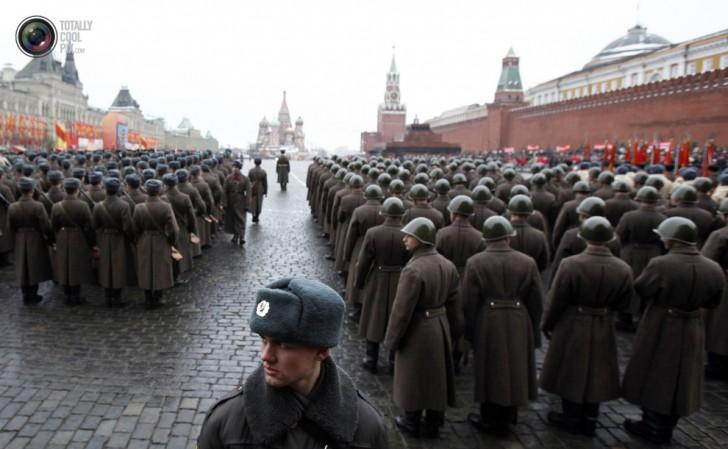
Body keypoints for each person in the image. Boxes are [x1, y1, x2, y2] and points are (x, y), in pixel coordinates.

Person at [197, 277, 388, 449]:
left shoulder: (367, 428)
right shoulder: (226, 423)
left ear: (321, 351)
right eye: (264, 340)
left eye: (284, 345)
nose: (266, 355)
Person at [622, 217, 725, 444]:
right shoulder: (713, 267)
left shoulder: (661, 264)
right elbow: (713, 302)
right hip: (693, 326)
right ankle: (666, 425)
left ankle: (652, 425)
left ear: (671, 240)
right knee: (682, 376)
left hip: (661, 323)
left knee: (655, 371)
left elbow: (642, 289)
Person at [540, 216, 634, 436]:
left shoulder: (571, 264)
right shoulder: (623, 268)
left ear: (584, 238)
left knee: (571, 369)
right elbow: (625, 303)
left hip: (573, 321)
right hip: (603, 322)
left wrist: (547, 323)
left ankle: (571, 416)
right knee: (597, 371)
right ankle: (591, 416)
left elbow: (557, 299)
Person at [462, 216, 543, 436]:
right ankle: (510, 414)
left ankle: (489, 417)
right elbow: (536, 300)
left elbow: (469, 301)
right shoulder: (527, 262)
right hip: (519, 318)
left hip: (489, 318)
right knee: (515, 366)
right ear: (508, 236)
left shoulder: (475, 262)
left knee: (490, 366)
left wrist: (468, 332)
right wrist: (533, 327)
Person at [384, 217, 461, 439]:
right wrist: (455, 332)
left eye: (409, 236)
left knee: (414, 376)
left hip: (418, 328)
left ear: (420, 240)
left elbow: (401, 311)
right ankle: (435, 421)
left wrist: (392, 341)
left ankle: (412, 420)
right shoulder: (447, 265)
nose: (405, 239)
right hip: (440, 325)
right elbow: (455, 304)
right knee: (437, 375)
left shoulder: (413, 269)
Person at [356, 197, 409, 374]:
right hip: (400, 277)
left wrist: (360, 282)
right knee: (397, 318)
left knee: (373, 316)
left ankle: (371, 357)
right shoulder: (407, 233)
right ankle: (393, 359)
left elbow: (363, 261)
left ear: (384, 213)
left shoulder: (373, 233)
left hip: (377, 277)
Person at [133, 179, 179, 309]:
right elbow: (174, 229)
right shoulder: (166, 206)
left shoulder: (138, 207)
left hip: (144, 239)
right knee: (160, 267)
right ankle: (158, 296)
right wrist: (171, 242)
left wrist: (138, 239)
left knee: (145, 267)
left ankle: (147, 296)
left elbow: (135, 228)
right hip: (161, 240)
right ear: (159, 191)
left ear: (146, 191)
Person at [7, 177, 54, 304]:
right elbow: (45, 225)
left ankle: (25, 294)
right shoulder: (38, 206)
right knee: (34, 266)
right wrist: (50, 239)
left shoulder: (12, 206)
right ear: (32, 190)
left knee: (23, 266)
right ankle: (33, 294)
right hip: (35, 237)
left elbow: (10, 226)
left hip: (20, 237)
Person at [50, 177, 97, 305]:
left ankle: (67, 294)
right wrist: (93, 243)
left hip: (62, 236)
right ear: (77, 190)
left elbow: (53, 226)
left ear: (64, 189)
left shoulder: (56, 206)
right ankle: (75, 295)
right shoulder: (83, 205)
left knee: (64, 265)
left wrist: (55, 240)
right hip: (78, 237)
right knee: (76, 266)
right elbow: (89, 226)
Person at [93, 177, 135, 307]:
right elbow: (127, 227)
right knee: (118, 268)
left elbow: (95, 225)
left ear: (105, 189)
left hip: (104, 239)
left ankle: (107, 296)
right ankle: (116, 297)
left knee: (106, 267)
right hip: (119, 239)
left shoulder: (98, 206)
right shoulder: (124, 205)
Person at [702, 199, 728, 379]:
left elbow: (708, 260)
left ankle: (717, 365)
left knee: (719, 326)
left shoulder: (721, 235)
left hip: (725, 283)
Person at [222, 160, 251, 246]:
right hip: (230, 201)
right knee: (232, 219)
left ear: (239, 168)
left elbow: (249, 193)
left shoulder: (245, 178)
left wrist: (247, 205)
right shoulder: (228, 178)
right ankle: (235, 235)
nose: (234, 169)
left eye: (235, 167)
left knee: (241, 219)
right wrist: (224, 203)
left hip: (241, 201)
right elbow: (224, 191)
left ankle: (241, 237)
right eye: (233, 167)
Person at [247, 158, 268, 223]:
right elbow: (265, 182)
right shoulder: (263, 171)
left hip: (252, 187)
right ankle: (257, 216)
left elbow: (248, 180)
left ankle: (253, 215)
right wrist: (266, 191)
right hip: (260, 188)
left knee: (253, 202)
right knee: (259, 202)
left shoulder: (251, 171)